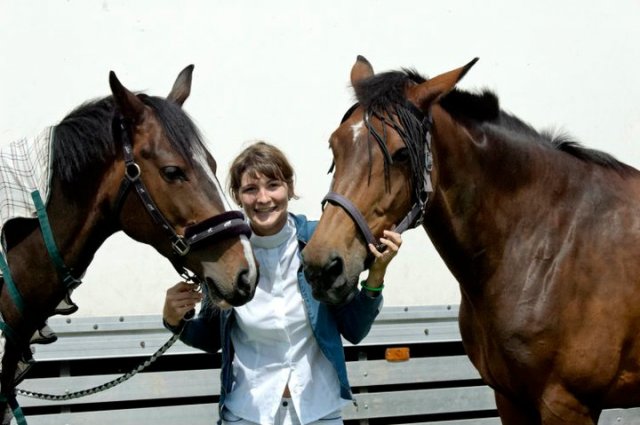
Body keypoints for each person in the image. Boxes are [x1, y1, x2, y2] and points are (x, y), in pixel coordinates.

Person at [163, 141, 402, 425]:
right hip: (248, 413)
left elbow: (354, 329)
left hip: (318, 412)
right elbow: (211, 338)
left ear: (289, 188)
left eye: (273, 185)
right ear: (238, 197)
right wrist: (175, 320)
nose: (263, 198)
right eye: (251, 189)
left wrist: (376, 277)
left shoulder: (318, 243)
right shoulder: (227, 255)